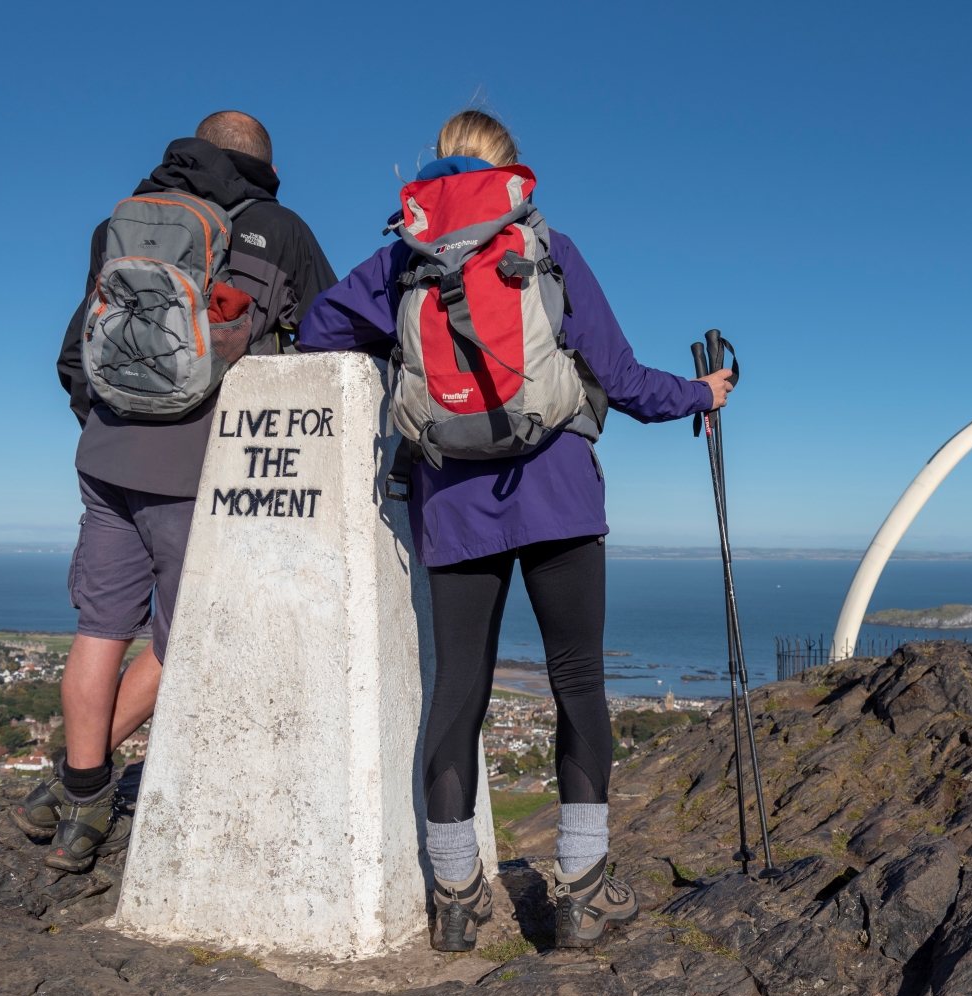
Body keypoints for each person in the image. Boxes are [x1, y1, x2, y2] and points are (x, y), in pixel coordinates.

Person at [297, 109, 734, 951]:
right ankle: (582, 891)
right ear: (511, 169)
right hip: (560, 494)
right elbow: (625, 378)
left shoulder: (401, 258)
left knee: (458, 688)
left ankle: (456, 899)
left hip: (451, 504)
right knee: (577, 681)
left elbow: (319, 329)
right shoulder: (545, 246)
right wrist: (702, 395)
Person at [13, 112, 337, 872]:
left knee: (100, 629)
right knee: (186, 636)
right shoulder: (280, 228)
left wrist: (113, 427)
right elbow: (335, 338)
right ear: (270, 171)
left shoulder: (119, 225)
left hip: (104, 460)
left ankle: (80, 790)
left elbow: (74, 358)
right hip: (199, 470)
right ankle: (82, 801)